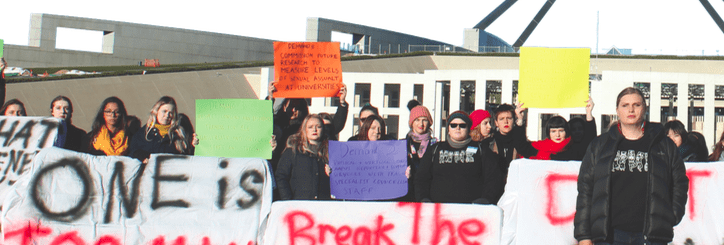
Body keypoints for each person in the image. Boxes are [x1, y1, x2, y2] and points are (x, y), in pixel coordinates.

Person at [574, 87, 688, 245]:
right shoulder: (599, 145)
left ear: (645, 108)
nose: (631, 109)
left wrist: (671, 216)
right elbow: (585, 190)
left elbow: (680, 183)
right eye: (625, 105)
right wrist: (584, 236)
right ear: (617, 110)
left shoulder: (664, 145)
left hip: (651, 236)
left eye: (637, 105)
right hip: (609, 236)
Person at [415, 111, 503, 204]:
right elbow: (421, 178)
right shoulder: (435, 149)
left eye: (462, 125)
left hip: (472, 210)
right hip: (438, 210)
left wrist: (486, 199)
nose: (458, 128)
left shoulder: (481, 150)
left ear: (468, 128)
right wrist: (423, 198)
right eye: (453, 125)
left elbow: (493, 178)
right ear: (448, 129)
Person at [275, 114, 331, 200]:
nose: (314, 130)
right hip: (299, 205)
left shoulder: (330, 153)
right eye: (310, 127)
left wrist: (332, 174)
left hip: (323, 206)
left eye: (318, 127)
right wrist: (288, 200)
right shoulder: (292, 151)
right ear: (304, 129)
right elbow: (281, 176)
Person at [128, 96, 199, 163]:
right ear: (156, 111)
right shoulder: (144, 133)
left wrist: (193, 146)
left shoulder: (178, 135)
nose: (167, 115)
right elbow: (132, 152)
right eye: (164, 111)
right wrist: (139, 155)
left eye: (171, 113)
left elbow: (187, 159)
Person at [402, 105, 437, 202]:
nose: (421, 124)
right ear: (411, 123)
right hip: (407, 192)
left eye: (424, 120)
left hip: (428, 193)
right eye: (417, 120)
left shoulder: (435, 144)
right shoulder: (403, 144)